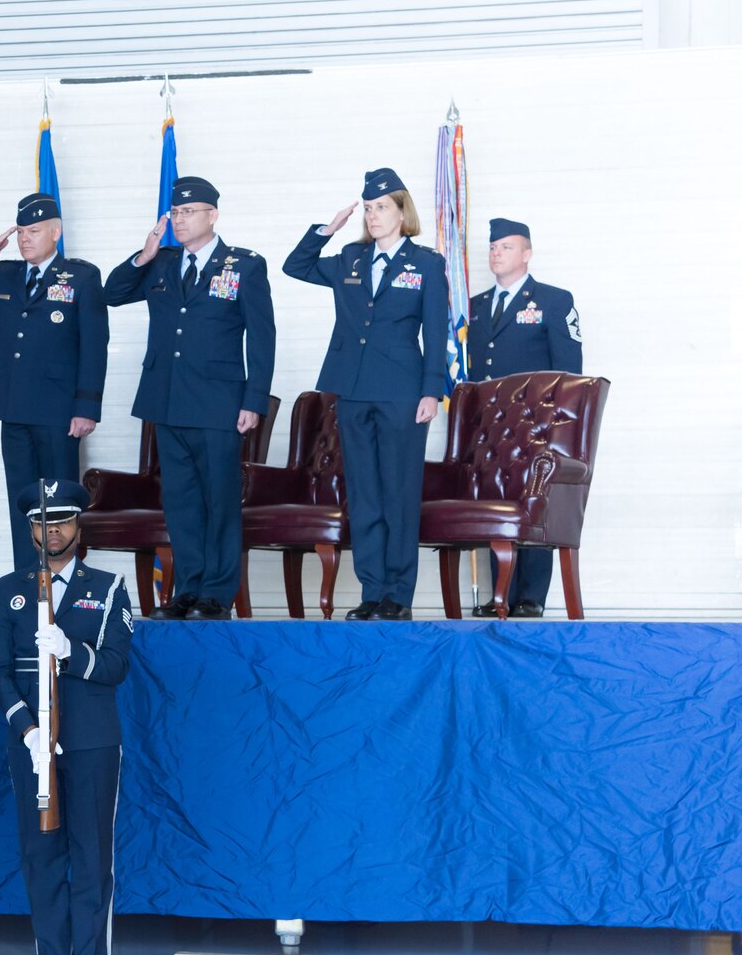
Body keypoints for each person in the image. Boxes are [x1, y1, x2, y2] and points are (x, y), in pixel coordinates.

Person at [0, 481, 133, 955]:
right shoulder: (9, 589)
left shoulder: (110, 587)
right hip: (33, 744)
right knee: (41, 853)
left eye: (63, 522)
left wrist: (73, 652)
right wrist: (27, 730)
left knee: (90, 856)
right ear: (30, 529)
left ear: (78, 526)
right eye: (43, 524)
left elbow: (116, 666)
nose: (53, 532)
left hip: (91, 741)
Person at [103, 176, 275, 620]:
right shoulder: (160, 263)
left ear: (212, 215)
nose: (179, 220)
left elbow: (262, 338)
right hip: (167, 399)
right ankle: (188, 588)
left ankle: (217, 592)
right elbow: (112, 293)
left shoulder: (244, 266)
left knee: (219, 498)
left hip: (219, 402)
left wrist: (253, 399)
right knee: (179, 500)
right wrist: (142, 255)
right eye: (175, 213)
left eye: (189, 212)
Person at [283, 168, 447, 620]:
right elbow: (295, 266)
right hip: (353, 390)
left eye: (382, 208)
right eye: (369, 208)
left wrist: (433, 390)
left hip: (402, 391)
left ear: (401, 211)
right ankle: (372, 591)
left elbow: (435, 331)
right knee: (364, 495)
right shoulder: (350, 258)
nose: (374, 216)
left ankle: (399, 595)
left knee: (399, 493)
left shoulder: (427, 264)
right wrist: (326, 231)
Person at [0, 193, 108, 571]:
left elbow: (96, 346)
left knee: (59, 499)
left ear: (55, 232)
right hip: (12, 406)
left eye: (33, 231)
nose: (25, 239)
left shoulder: (81, 277)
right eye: (20, 232)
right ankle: (28, 578)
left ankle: (64, 578)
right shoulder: (5, 274)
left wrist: (87, 407)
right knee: (22, 497)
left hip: (58, 409)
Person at [466, 217, 583, 618]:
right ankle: (499, 595)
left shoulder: (553, 301)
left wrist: (558, 430)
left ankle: (531, 596)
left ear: (527, 254)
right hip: (488, 430)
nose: (497, 253)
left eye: (507, 247)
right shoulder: (476, 307)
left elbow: (569, 372)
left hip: (536, 429)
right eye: (494, 247)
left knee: (534, 510)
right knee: (493, 509)